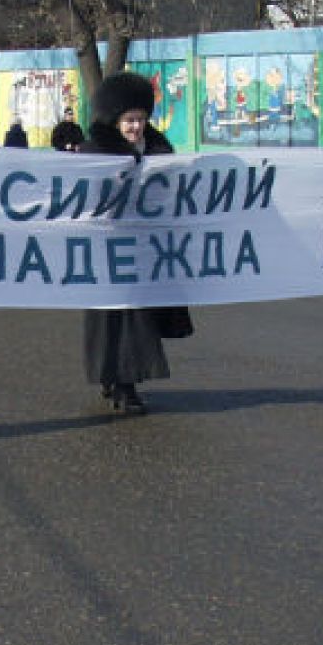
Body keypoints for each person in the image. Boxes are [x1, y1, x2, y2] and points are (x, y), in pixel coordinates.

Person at [80, 72, 190, 414]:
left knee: (137, 317)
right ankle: (116, 380)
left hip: (144, 250)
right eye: (129, 120)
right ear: (115, 120)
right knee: (112, 317)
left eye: (141, 119)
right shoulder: (95, 152)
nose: (136, 127)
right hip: (107, 250)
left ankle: (125, 382)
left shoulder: (159, 150)